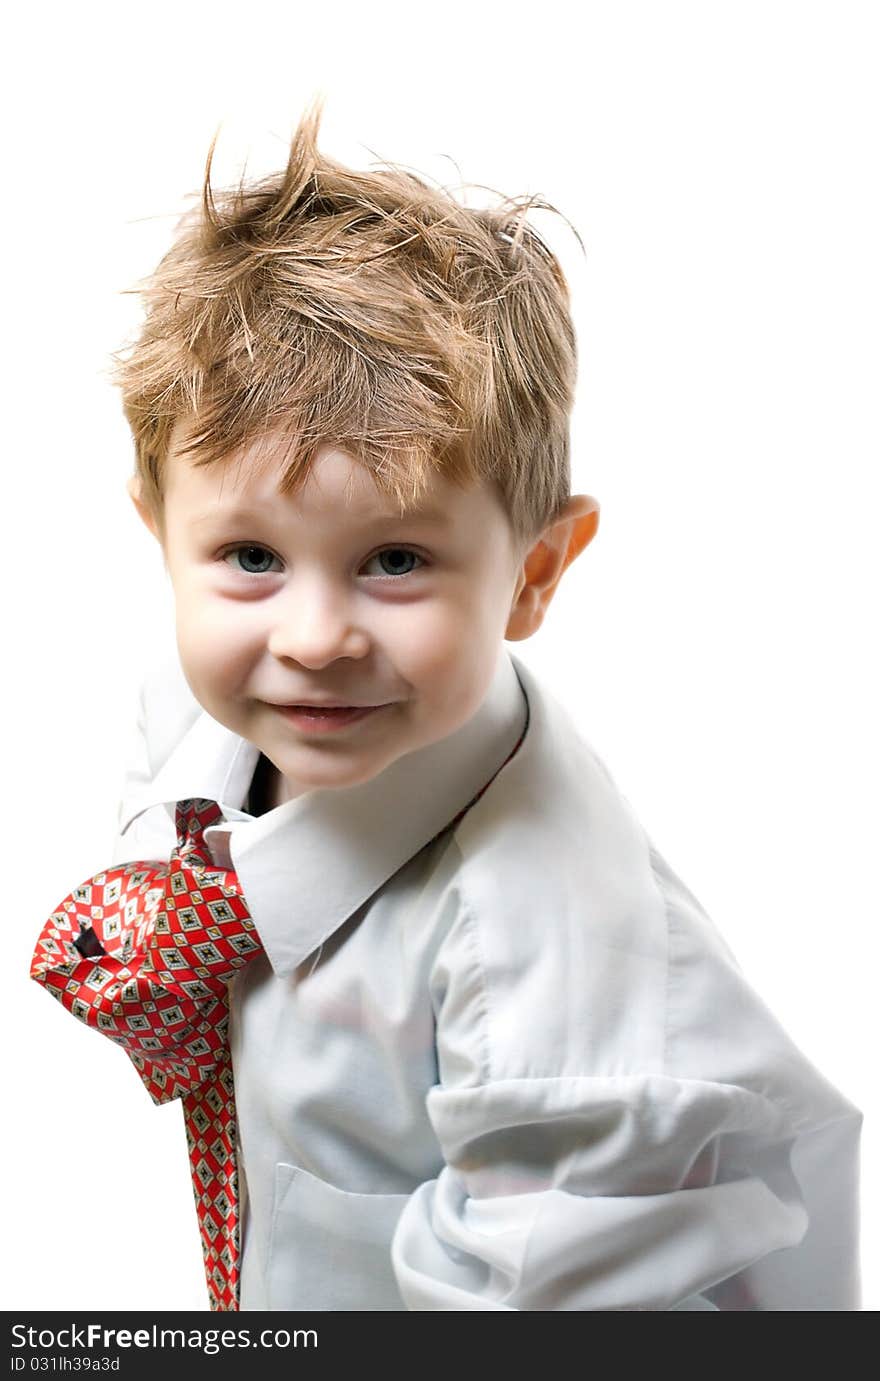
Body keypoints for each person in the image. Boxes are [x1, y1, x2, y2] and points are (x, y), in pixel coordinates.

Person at [33, 98, 862, 1311]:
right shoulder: (205, 716)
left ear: (533, 574)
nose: (312, 640)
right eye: (252, 557)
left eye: (397, 561)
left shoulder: (544, 975)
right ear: (160, 533)